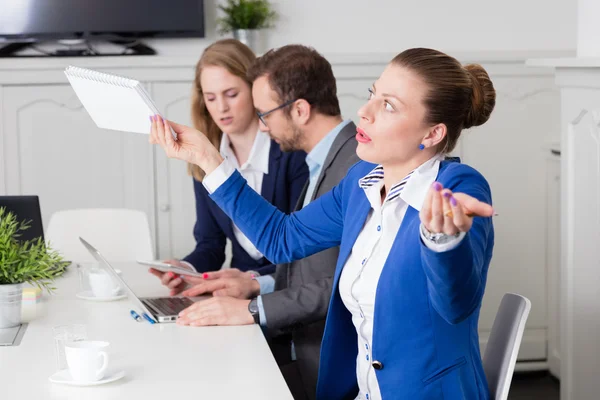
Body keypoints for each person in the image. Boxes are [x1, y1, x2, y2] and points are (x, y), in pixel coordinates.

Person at [150, 47, 496, 399]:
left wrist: (443, 242)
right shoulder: (362, 180)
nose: (364, 112)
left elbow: (456, 306)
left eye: (388, 105)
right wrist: (208, 159)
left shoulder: (459, 187)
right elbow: (282, 238)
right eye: (372, 95)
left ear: (432, 134)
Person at [176, 45, 359, 400]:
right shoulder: (320, 164)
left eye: (265, 113)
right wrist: (255, 284)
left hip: (331, 363)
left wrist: (251, 305)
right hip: (304, 345)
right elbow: (301, 260)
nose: (261, 125)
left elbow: (325, 273)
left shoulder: (352, 167)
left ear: (301, 110)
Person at [149, 39, 308, 295]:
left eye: (231, 94)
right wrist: (185, 268)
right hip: (234, 296)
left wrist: (254, 280)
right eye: (211, 98)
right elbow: (210, 245)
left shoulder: (291, 152)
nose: (221, 107)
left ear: (255, 90)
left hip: (289, 296)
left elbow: (305, 251)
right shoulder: (205, 155)